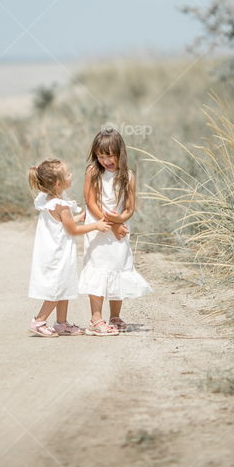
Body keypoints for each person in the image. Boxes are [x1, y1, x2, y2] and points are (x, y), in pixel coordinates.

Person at [78, 127, 152, 336]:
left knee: (117, 268)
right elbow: (90, 201)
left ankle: (115, 316)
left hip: (119, 232)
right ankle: (95, 319)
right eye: (100, 155)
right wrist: (112, 224)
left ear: (120, 152)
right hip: (99, 228)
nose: (105, 160)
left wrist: (120, 220)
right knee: (98, 268)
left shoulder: (128, 176)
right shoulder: (93, 172)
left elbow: (129, 208)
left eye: (109, 155)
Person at [27, 158, 110, 337]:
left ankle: (61, 323)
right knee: (56, 289)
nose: (71, 175)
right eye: (67, 174)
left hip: (54, 251)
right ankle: (39, 321)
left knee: (63, 286)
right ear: (58, 183)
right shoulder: (61, 205)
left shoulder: (49, 200)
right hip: (58, 254)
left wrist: (82, 216)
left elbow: (67, 222)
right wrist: (96, 226)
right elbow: (72, 230)